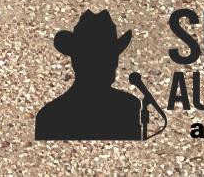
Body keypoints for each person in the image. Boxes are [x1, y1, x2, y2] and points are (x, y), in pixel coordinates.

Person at [34, 10, 144, 140]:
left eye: (111, 57)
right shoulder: (127, 106)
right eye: (104, 58)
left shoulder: (49, 115)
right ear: (78, 61)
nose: (112, 64)